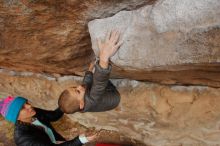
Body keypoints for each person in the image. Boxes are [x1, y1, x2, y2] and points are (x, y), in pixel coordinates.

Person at [58, 30, 122, 113]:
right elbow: (99, 82)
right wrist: (104, 57)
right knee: (97, 77)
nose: (79, 87)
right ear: (81, 104)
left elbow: (85, 85)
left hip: (101, 98)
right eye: (77, 91)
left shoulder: (80, 103)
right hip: (113, 96)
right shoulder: (92, 98)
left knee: (91, 80)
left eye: (74, 87)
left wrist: (89, 71)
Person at [0, 96, 96, 146]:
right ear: (16, 117)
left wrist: (67, 102)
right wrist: (80, 140)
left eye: (27, 103)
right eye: (22, 107)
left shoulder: (34, 113)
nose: (29, 106)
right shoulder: (24, 138)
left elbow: (53, 116)